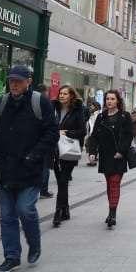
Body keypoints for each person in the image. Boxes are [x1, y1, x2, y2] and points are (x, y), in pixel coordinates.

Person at [0, 66, 58, 272]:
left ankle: (34, 243)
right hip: (5, 169)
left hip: (29, 169)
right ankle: (12, 256)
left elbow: (52, 133)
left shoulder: (39, 102)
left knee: (25, 209)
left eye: (18, 81)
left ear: (28, 81)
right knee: (7, 216)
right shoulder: (1, 103)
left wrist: (34, 156)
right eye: (11, 81)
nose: (14, 84)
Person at [86, 90, 133, 229]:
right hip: (105, 155)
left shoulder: (124, 116)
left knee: (114, 183)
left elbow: (128, 136)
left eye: (112, 99)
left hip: (119, 156)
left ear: (118, 101)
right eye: (107, 99)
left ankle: (113, 214)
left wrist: (121, 151)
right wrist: (92, 152)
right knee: (109, 184)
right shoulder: (101, 116)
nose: (109, 101)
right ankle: (111, 210)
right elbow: (94, 136)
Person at [51, 85, 86, 228]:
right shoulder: (53, 108)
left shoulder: (78, 110)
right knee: (61, 181)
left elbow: (82, 131)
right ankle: (65, 210)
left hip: (69, 150)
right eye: (60, 93)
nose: (61, 96)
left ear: (71, 95)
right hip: (54, 150)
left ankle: (58, 212)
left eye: (65, 94)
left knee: (63, 180)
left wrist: (66, 133)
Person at [85, 101, 101, 166]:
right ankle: (93, 159)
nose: (91, 107)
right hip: (92, 133)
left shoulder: (97, 114)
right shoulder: (92, 114)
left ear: (96, 107)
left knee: (92, 147)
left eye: (92, 106)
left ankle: (92, 161)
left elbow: (95, 124)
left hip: (94, 133)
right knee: (92, 147)